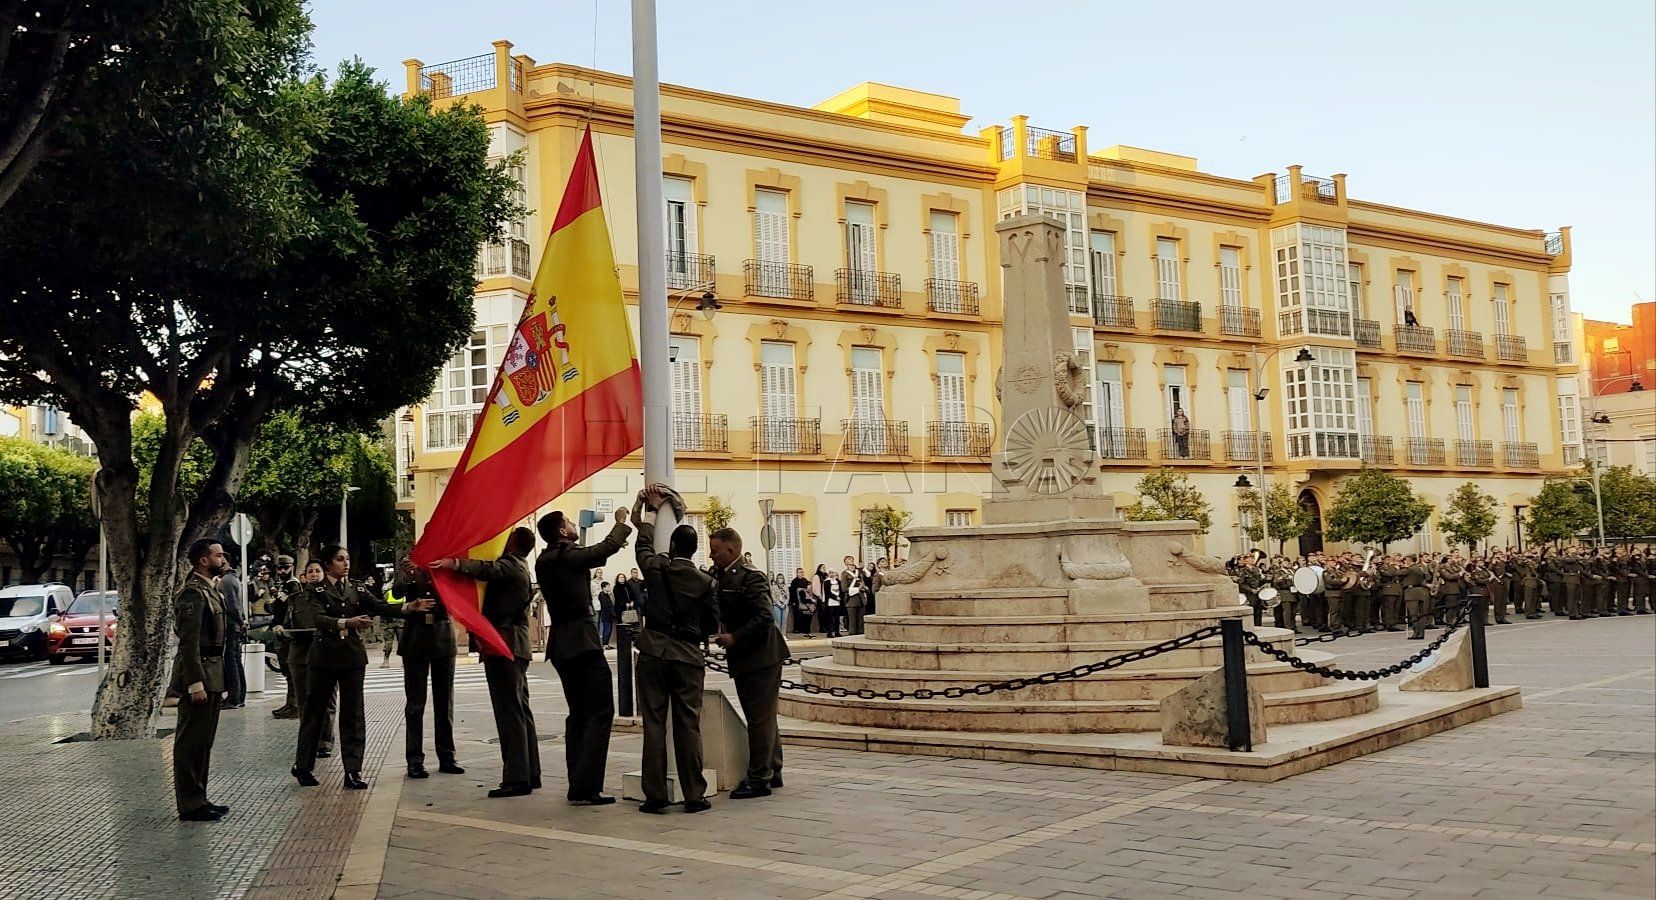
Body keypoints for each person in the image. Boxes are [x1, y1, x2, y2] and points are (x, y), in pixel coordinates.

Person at [292, 544, 413, 791]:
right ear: (328, 564)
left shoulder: (356, 588)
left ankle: (353, 770)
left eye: (347, 558)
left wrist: (407, 608)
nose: (345, 563)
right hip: (324, 657)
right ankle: (303, 766)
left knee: (353, 714)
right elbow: (317, 618)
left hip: (352, 657)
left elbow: (379, 605)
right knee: (314, 713)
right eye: (339, 559)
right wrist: (347, 622)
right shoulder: (315, 590)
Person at [535, 507, 633, 805]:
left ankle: (578, 783)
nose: (572, 525)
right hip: (582, 642)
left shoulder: (545, 560)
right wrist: (621, 523)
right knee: (599, 712)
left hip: (562, 644)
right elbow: (602, 550)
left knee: (578, 714)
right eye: (567, 522)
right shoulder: (567, 556)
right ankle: (587, 787)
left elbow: (594, 556)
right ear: (561, 532)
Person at [435, 528, 541, 799]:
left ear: (512, 543)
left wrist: (454, 563)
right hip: (515, 644)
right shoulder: (522, 566)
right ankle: (530, 772)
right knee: (520, 710)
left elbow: (486, 569)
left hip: (503, 644)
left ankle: (517, 778)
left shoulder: (510, 565)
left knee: (509, 714)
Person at [632, 486, 719, 814]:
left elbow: (641, 546)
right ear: (695, 550)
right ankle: (694, 794)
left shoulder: (656, 567)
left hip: (653, 650)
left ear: (671, 546)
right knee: (688, 725)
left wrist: (651, 512)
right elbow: (711, 623)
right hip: (687, 655)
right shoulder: (706, 582)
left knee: (654, 724)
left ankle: (655, 795)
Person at [711, 527, 791, 799]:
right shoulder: (723, 575)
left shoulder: (751, 576)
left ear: (731, 549)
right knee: (763, 717)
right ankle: (773, 769)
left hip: (761, 656)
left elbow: (764, 616)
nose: (711, 556)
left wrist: (735, 637)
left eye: (715, 551)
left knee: (759, 719)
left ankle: (759, 779)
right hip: (747, 657)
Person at [172, 538, 230, 822]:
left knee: (203, 741)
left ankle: (200, 796)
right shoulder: (193, 594)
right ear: (203, 560)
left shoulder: (211, 590)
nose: (224, 559)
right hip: (200, 674)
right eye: (219, 555)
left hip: (213, 672)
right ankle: (190, 803)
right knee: (190, 742)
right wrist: (195, 683)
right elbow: (189, 642)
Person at [392, 559, 463, 779]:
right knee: (415, 704)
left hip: (442, 635)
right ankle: (414, 760)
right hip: (415, 637)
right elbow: (396, 592)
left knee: (444, 701)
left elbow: (459, 592)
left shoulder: (445, 565)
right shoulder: (410, 565)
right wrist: (406, 574)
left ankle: (447, 755)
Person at [268, 554, 302, 719]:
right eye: (279, 568)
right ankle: (291, 703)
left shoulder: (293, 584)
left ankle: (295, 705)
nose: (282, 571)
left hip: (287, 631)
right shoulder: (283, 585)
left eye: (285, 568)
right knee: (287, 670)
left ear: (292, 567)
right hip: (279, 629)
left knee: (290, 669)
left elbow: (290, 608)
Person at [219, 559, 247, 709]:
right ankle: (239, 696)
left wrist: (240, 621)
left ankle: (234, 697)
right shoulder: (234, 579)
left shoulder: (226, 581)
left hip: (231, 625)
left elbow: (232, 605)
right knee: (236, 661)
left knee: (231, 661)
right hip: (236, 625)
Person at [841, 556, 866, 636]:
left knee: (861, 621)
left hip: (861, 598)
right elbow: (844, 588)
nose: (851, 560)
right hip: (851, 600)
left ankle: (861, 635)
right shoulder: (845, 574)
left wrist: (864, 587)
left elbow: (864, 580)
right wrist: (858, 589)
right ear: (845, 562)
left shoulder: (859, 572)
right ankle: (852, 636)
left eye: (852, 559)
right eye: (848, 559)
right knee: (852, 621)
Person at [816, 564, 843, 637]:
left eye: (833, 572)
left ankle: (837, 632)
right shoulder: (826, 582)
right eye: (830, 572)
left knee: (837, 618)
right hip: (830, 602)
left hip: (837, 602)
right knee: (830, 618)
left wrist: (840, 597)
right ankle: (829, 632)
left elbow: (841, 590)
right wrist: (835, 597)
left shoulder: (838, 581)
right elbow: (827, 593)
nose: (832, 574)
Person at [788, 568, 815, 638]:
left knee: (806, 615)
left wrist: (808, 587)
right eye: (800, 572)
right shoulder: (794, 581)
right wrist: (793, 602)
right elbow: (793, 592)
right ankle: (797, 629)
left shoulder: (805, 580)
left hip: (805, 601)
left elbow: (808, 587)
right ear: (797, 573)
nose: (802, 573)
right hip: (796, 601)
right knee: (797, 616)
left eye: (802, 572)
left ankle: (805, 630)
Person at [598, 581, 616, 649]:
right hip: (606, 615)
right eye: (608, 586)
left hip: (609, 615)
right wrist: (612, 613)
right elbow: (606, 606)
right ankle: (605, 644)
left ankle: (607, 644)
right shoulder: (602, 595)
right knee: (607, 630)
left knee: (609, 630)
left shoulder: (607, 595)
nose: (609, 588)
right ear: (604, 588)